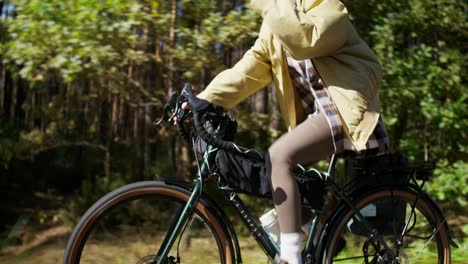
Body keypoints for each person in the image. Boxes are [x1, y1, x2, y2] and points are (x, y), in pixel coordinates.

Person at [191, 0, 389, 263]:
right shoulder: (277, 21)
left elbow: (303, 39)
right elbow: (250, 69)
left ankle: (291, 257)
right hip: (320, 115)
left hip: (346, 108)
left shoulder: (328, 6)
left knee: (279, 157)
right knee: (281, 174)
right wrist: (203, 101)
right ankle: (319, 233)